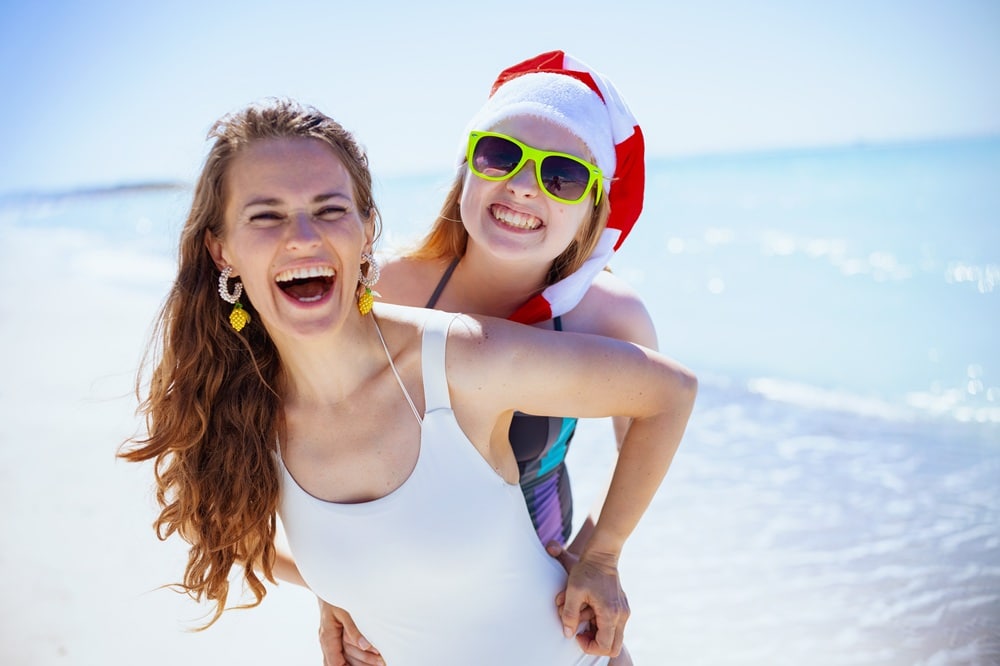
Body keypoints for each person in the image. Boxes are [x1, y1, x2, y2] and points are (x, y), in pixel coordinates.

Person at [119, 97, 696, 665]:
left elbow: (668, 396)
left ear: (367, 229)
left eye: (329, 210)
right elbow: (227, 529)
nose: (302, 236)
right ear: (221, 249)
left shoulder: (462, 353)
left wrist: (601, 554)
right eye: (266, 215)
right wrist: (337, 587)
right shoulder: (237, 400)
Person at [317, 51, 654, 665]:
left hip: (545, 617)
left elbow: (649, 432)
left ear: (594, 208)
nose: (524, 185)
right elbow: (313, 454)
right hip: (396, 624)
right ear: (466, 168)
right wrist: (332, 592)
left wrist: (599, 555)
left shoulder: (608, 321)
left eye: (562, 175)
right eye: (501, 154)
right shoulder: (381, 292)